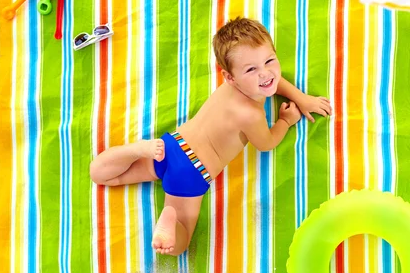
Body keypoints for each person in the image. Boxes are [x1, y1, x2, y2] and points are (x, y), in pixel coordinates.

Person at [89, 17, 331, 256]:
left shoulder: (236, 84)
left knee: (101, 174)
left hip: (169, 146)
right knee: (179, 246)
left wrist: (302, 97)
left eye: (270, 60)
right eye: (252, 69)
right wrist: (285, 121)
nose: (265, 73)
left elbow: (273, 82)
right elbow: (266, 144)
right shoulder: (250, 114)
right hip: (193, 171)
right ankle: (171, 219)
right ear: (230, 76)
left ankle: (135, 150)